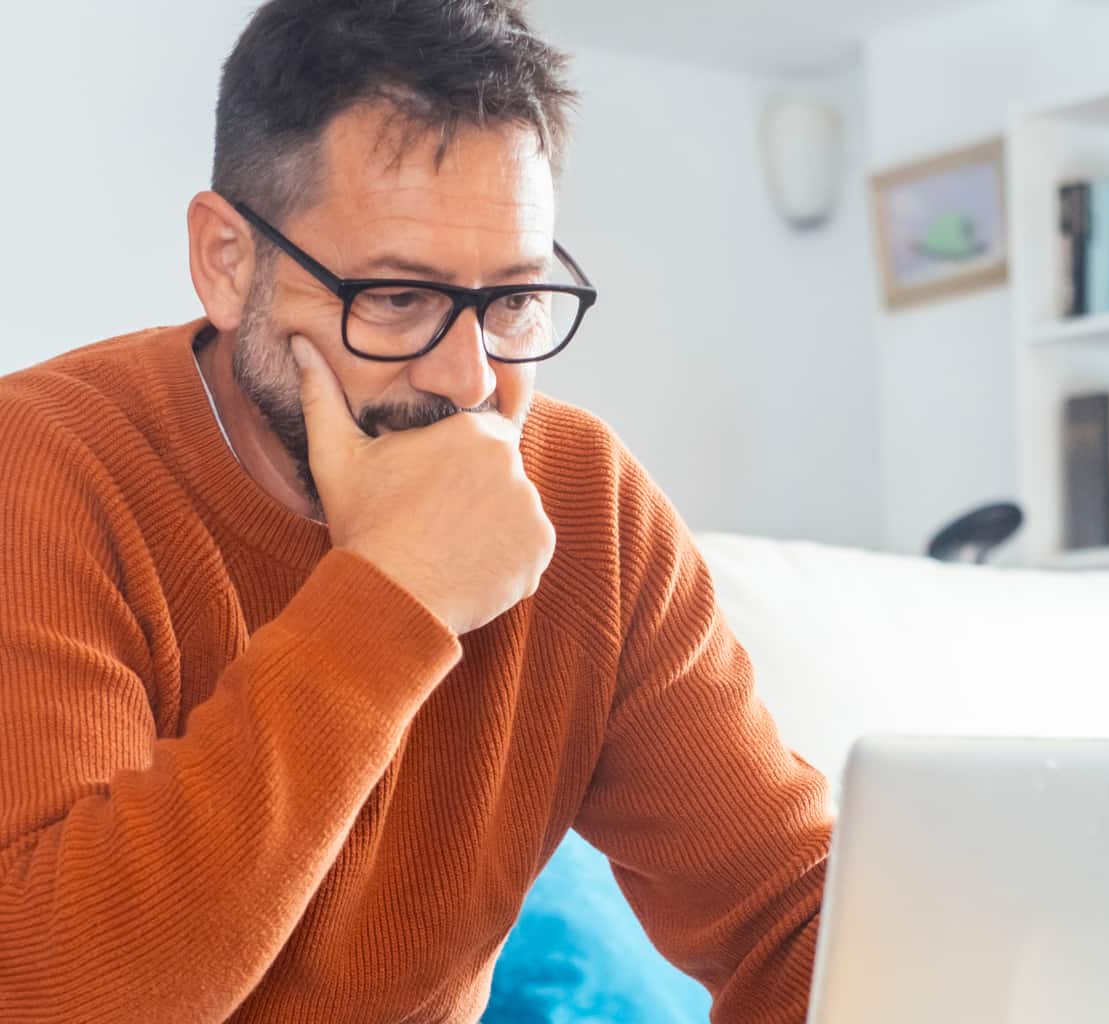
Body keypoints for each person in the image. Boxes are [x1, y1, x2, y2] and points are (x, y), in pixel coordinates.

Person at [0, 2, 831, 1021]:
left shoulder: (586, 501)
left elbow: (791, 918)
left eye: (515, 300)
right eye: (395, 298)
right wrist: (395, 593)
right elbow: (51, 994)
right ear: (226, 260)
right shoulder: (40, 467)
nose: (469, 380)